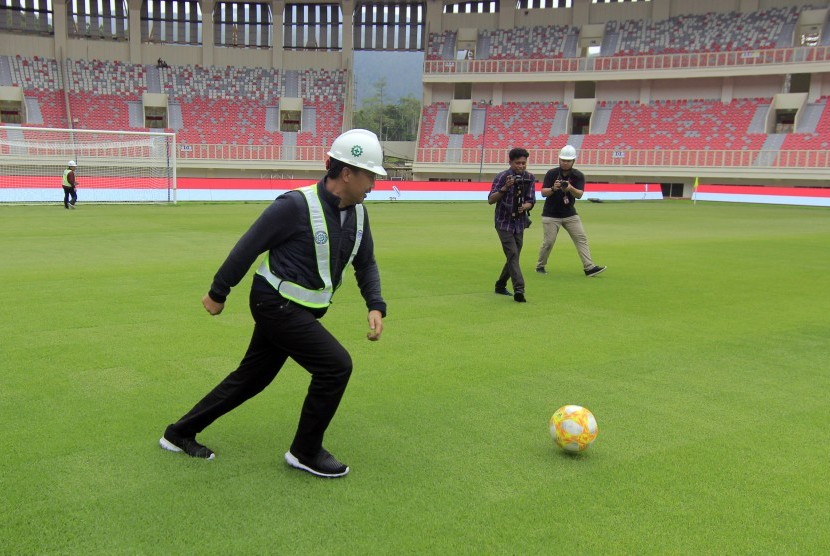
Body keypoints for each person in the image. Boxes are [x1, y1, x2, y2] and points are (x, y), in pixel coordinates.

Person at [159, 129, 388, 478]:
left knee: (252, 378)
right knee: (335, 366)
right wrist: (219, 292)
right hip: (274, 303)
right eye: (370, 175)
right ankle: (305, 451)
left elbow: (366, 262)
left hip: (299, 309)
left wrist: (375, 303)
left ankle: (179, 434)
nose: (374, 183)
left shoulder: (357, 214)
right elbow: (249, 246)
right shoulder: (295, 205)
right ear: (347, 173)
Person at [535, 145, 606, 277]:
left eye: (568, 160)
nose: (565, 162)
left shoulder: (578, 175)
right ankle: (540, 265)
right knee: (548, 242)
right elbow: (543, 193)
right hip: (551, 214)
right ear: (559, 159)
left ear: (573, 161)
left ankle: (589, 267)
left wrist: (570, 188)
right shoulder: (552, 173)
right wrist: (554, 188)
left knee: (581, 238)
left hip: (569, 213)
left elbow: (579, 194)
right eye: (563, 160)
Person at [488, 147, 536, 302]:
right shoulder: (502, 177)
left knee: (513, 257)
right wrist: (505, 188)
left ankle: (500, 285)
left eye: (523, 163)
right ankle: (519, 290)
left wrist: (527, 206)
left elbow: (531, 199)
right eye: (517, 163)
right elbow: (491, 199)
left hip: (520, 223)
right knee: (513, 254)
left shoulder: (529, 177)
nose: (521, 166)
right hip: (503, 223)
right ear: (510, 162)